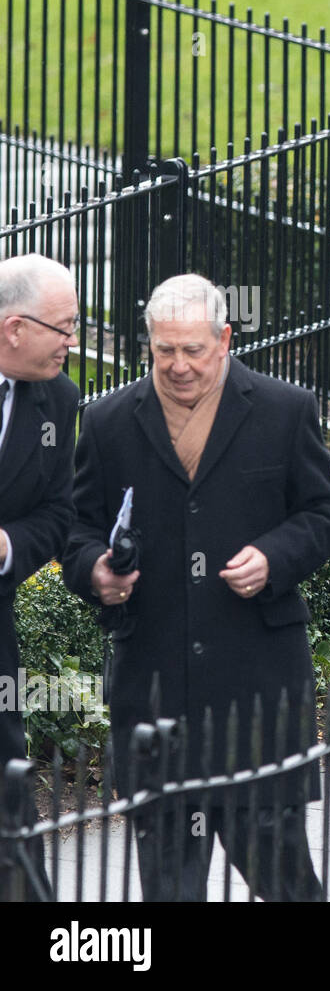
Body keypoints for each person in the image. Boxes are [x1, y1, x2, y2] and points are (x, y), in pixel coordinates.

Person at [62, 274, 330, 902]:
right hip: (156, 694)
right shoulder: (109, 421)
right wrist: (97, 573)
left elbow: (326, 516)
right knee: (168, 885)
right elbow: (77, 529)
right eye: (165, 351)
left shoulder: (284, 409)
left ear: (224, 339)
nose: (179, 366)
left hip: (257, 690)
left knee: (284, 878)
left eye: (193, 350)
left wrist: (273, 558)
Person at [0, 254, 79, 902]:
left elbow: (57, 513)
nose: (71, 342)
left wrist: (7, 545)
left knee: (9, 811)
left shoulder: (59, 400)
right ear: (13, 327)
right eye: (63, 327)